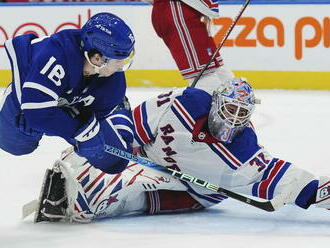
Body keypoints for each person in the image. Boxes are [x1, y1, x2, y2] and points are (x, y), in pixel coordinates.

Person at [29, 78, 330, 223]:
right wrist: (112, 147)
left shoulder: (243, 153)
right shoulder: (181, 103)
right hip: (149, 157)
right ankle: (73, 183)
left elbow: (281, 177)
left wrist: (318, 192)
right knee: (105, 157)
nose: (234, 118)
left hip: (195, 191)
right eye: (230, 109)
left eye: (242, 113)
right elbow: (132, 128)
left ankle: (76, 203)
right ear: (215, 103)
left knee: (127, 192)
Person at [0, 12, 136, 174]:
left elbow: (96, 121)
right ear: (97, 58)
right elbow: (37, 114)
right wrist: (81, 133)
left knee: (114, 162)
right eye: (118, 62)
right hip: (31, 94)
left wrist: (88, 137)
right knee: (15, 144)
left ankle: (116, 111)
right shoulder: (56, 55)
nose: (120, 68)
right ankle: (20, 96)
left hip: (77, 102)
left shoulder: (113, 82)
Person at [147, 0, 234, 93]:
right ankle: (226, 104)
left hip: (183, 10)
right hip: (179, 10)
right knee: (204, 72)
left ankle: (236, 103)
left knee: (212, 69)